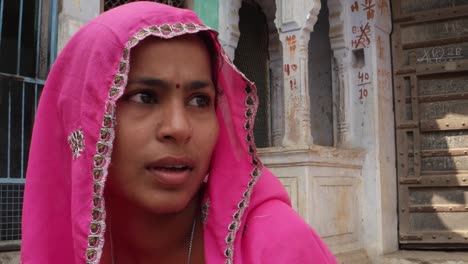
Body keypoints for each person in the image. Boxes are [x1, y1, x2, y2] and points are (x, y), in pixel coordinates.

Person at [21, 2, 337, 263]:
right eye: (144, 97)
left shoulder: (277, 246)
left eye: (199, 101)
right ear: (85, 121)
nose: (178, 128)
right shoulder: (62, 242)